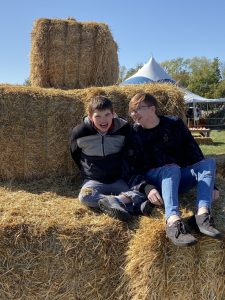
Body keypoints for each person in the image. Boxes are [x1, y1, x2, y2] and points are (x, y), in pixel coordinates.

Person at [127, 92, 221, 247]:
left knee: (208, 163)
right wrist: (147, 188)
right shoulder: (134, 134)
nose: (133, 114)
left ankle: (202, 215)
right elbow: (130, 168)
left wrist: (211, 184)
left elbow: (193, 152)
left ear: (152, 109)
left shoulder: (174, 124)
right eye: (131, 111)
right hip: (156, 181)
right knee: (172, 168)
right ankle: (172, 222)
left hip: (179, 177)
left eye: (137, 109)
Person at [70, 95, 149, 221]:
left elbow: (129, 152)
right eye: (98, 116)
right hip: (93, 180)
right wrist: (88, 170)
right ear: (90, 117)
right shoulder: (79, 132)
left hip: (117, 179)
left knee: (141, 193)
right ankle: (123, 204)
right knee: (84, 197)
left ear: (113, 114)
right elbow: (75, 154)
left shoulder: (124, 128)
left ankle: (113, 202)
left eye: (107, 115)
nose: (103, 120)